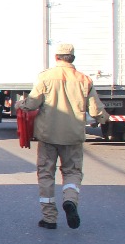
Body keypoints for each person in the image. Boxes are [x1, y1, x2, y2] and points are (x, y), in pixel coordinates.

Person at [16, 43, 109, 229]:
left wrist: (20, 105)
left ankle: (49, 218)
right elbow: (95, 110)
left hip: (48, 136)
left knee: (46, 174)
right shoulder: (84, 80)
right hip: (73, 137)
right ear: (72, 58)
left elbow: (32, 103)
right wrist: (105, 118)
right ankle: (70, 200)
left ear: (56, 57)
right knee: (72, 172)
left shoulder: (45, 77)